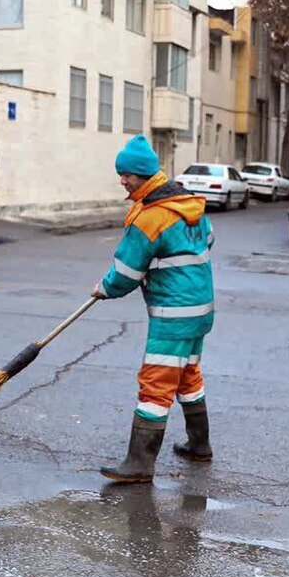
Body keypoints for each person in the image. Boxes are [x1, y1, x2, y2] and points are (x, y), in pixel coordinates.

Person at [92, 135, 215, 483]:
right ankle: (199, 446)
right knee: (187, 374)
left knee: (156, 383)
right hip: (200, 311)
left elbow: (127, 272)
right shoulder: (190, 205)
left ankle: (139, 464)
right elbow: (208, 241)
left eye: (127, 174)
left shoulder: (151, 218)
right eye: (120, 174)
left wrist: (104, 288)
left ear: (144, 174)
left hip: (173, 314)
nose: (122, 180)